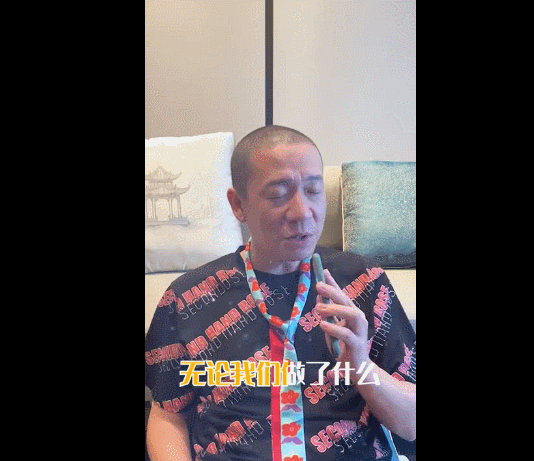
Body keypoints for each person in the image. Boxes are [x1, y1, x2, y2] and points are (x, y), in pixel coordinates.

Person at [145, 125, 416, 461]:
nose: (302, 212)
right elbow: (168, 417)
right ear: (238, 205)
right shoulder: (188, 297)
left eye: (313, 190)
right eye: (277, 195)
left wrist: (361, 366)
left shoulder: (363, 283)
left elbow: (411, 425)